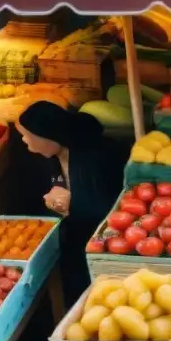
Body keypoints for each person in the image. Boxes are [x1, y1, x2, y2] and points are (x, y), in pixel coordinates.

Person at [16, 101, 129, 303]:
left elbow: (107, 209)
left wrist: (70, 207)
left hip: (104, 242)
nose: (25, 141)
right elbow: (56, 174)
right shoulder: (55, 152)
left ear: (48, 136)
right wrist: (58, 188)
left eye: (28, 136)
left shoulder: (94, 158)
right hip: (78, 233)